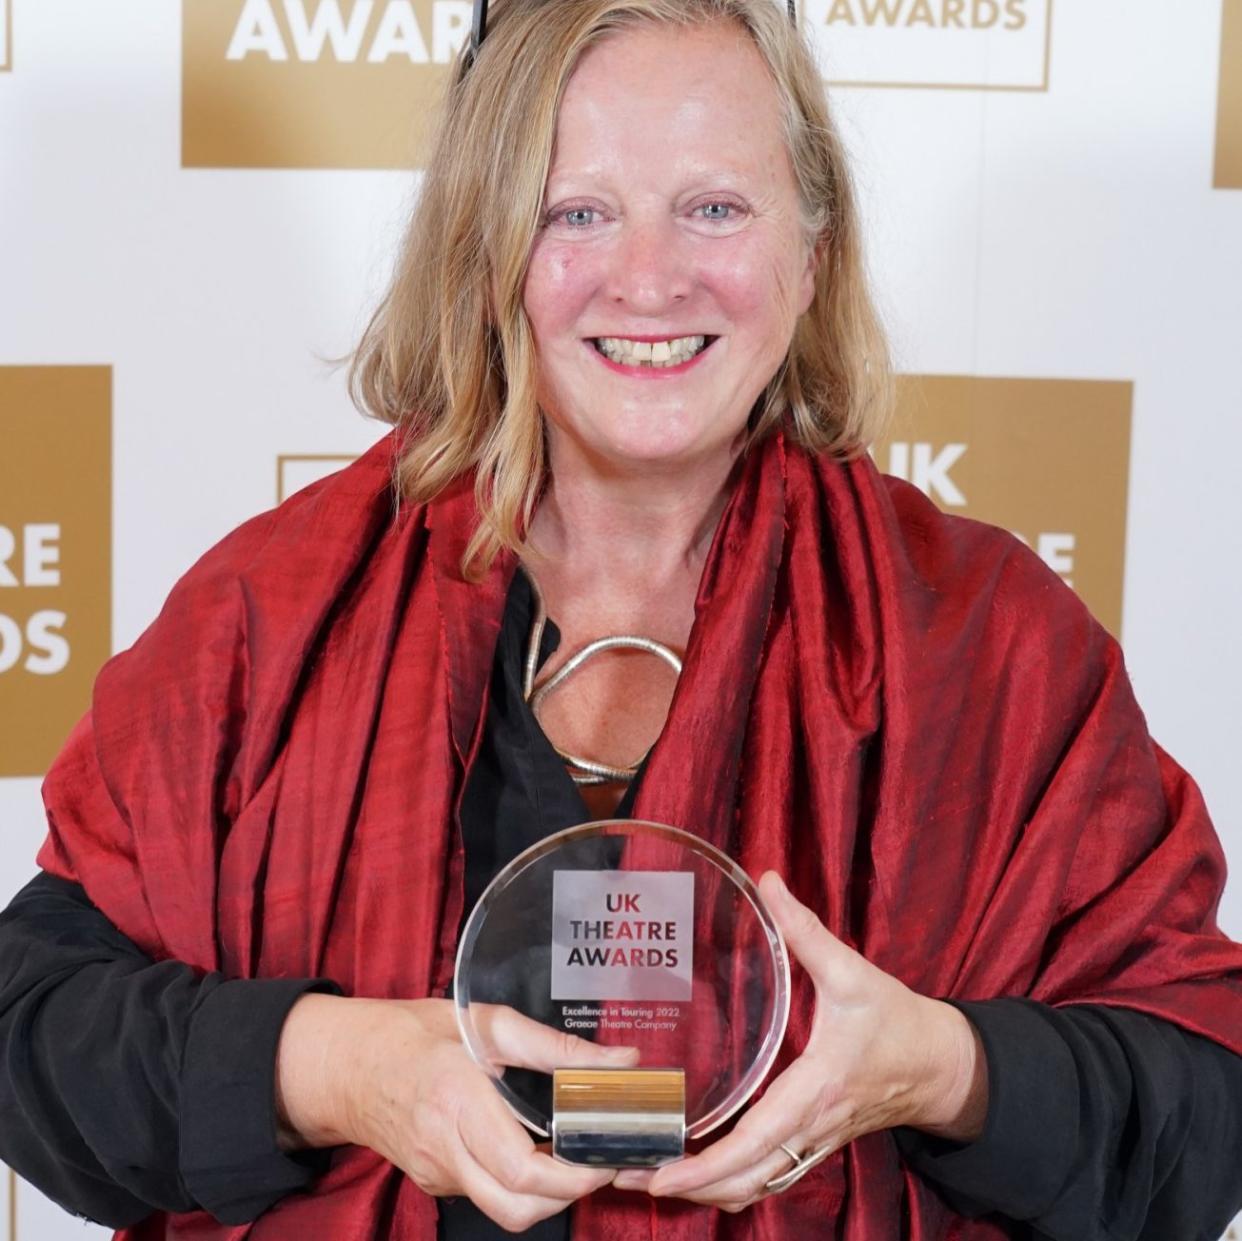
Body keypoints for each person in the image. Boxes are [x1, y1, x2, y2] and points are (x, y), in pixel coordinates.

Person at [2, 0, 1241, 1238]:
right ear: (484, 253)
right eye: (575, 211)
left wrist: (943, 1066)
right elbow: (34, 1028)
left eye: (715, 206)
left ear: (812, 254)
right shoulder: (271, 615)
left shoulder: (988, 640)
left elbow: (1202, 1112)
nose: (648, 278)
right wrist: (338, 1069)